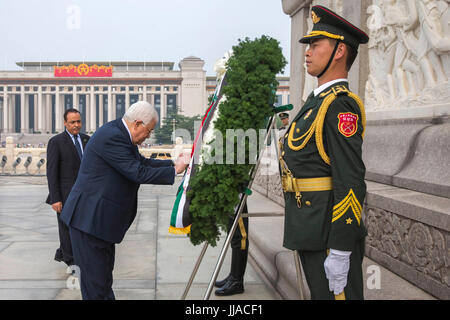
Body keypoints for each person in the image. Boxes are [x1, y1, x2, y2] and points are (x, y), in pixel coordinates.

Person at [280, 5, 369, 300]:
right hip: (310, 225)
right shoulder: (316, 102)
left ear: (340, 50)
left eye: (315, 45)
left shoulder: (340, 105)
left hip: (328, 234)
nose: (307, 51)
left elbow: (351, 180)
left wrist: (342, 248)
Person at [60, 101, 189, 300]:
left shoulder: (119, 133)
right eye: (148, 131)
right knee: (96, 287)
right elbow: (137, 172)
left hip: (98, 223)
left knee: (102, 282)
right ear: (137, 123)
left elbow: (141, 163)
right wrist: (173, 171)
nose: (148, 136)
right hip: (88, 221)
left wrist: (173, 164)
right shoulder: (112, 137)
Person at [46, 108, 90, 269]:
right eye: (72, 122)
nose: (76, 125)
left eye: (78, 121)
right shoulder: (56, 142)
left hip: (85, 194)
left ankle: (64, 253)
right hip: (65, 195)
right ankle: (71, 262)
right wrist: (55, 198)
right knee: (66, 229)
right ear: (65, 123)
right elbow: (52, 173)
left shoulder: (87, 140)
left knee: (82, 227)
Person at [214, 202, 249, 296]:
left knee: (239, 236)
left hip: (239, 191)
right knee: (233, 233)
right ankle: (233, 275)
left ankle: (237, 281)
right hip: (234, 191)